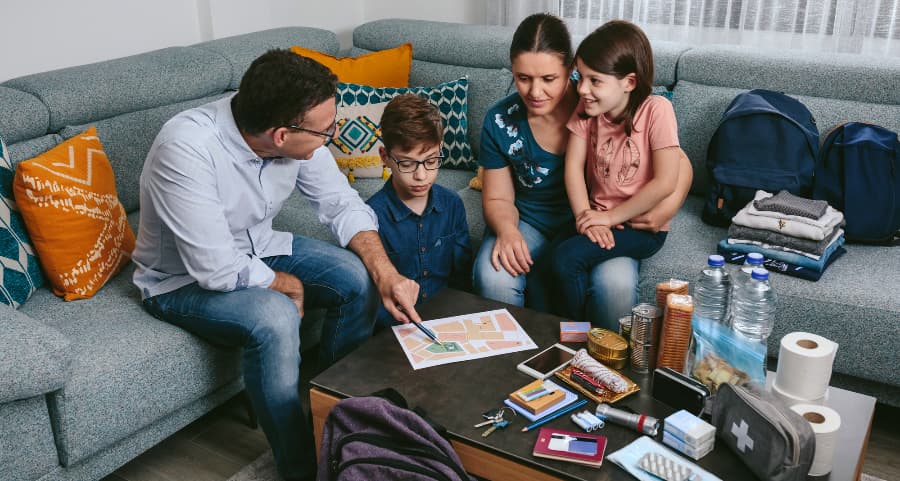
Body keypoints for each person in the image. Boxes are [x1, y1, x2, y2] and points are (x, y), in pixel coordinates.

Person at [131, 50, 421, 481]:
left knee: (356, 278)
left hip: (260, 247)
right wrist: (284, 283)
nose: (333, 135)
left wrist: (386, 273)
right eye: (327, 130)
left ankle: (336, 420)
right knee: (276, 314)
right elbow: (214, 268)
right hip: (180, 282)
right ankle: (302, 468)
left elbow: (341, 203)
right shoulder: (187, 149)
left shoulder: (291, 130)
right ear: (282, 135)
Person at [473, 13, 692, 328]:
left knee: (613, 285)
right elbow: (498, 198)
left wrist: (667, 206)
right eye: (523, 78)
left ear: (569, 70)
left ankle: (598, 363)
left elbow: (675, 164)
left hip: (608, 219)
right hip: (536, 220)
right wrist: (508, 231)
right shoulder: (501, 120)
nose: (535, 92)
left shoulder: (595, 97)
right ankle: (519, 361)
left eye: (549, 79)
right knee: (494, 276)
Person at [551, 20, 681, 320]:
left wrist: (608, 218)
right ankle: (547, 333)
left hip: (638, 227)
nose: (582, 89)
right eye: (579, 77)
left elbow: (665, 181)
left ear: (629, 82)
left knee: (566, 259)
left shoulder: (657, 111)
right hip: (596, 215)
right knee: (547, 258)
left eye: (594, 81)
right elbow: (572, 168)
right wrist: (587, 218)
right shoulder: (586, 111)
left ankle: (576, 339)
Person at [367, 94, 472, 328]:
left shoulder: (452, 204)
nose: (421, 175)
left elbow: (461, 278)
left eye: (431, 160)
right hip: (394, 327)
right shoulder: (371, 216)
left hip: (447, 320)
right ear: (385, 157)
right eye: (406, 163)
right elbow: (372, 299)